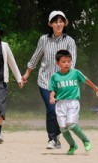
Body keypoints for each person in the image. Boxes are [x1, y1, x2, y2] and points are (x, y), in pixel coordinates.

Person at [22, 11, 77, 149]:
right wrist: (27, 73)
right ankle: (52, 139)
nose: (58, 24)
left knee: (60, 112)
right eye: (55, 21)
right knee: (51, 109)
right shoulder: (43, 40)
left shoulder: (69, 41)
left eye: (61, 21)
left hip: (63, 83)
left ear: (65, 23)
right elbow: (36, 57)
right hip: (45, 81)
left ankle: (57, 136)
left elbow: (73, 62)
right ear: (50, 24)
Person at [49, 49, 98, 155]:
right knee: (63, 128)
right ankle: (72, 145)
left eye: (69, 61)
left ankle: (85, 140)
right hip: (60, 104)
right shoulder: (55, 76)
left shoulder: (75, 72)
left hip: (73, 102)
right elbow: (52, 89)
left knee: (71, 124)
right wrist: (52, 97)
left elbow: (86, 80)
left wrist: (95, 88)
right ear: (57, 63)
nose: (67, 64)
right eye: (63, 62)